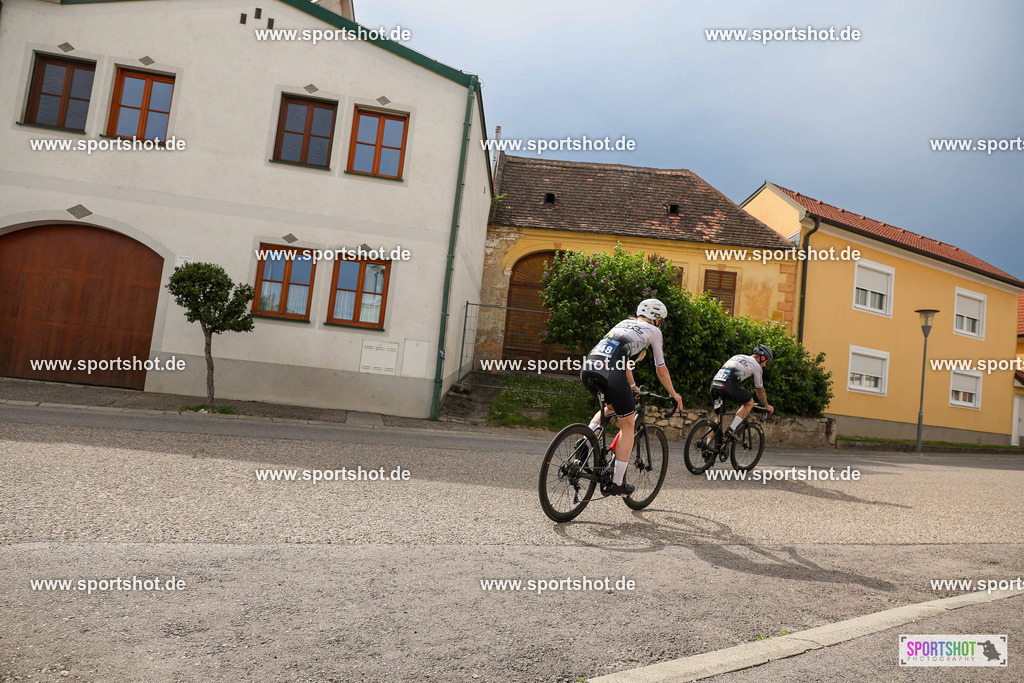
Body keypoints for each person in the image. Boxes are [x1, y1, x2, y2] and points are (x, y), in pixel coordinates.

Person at [580, 299, 685, 495]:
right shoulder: (654, 331)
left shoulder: (622, 323)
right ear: (657, 320)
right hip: (611, 372)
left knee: (609, 408)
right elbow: (661, 370)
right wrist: (674, 394)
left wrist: (633, 386)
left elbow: (623, 361)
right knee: (627, 424)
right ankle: (617, 483)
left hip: (589, 368)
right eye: (661, 321)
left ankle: (585, 443)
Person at [710, 344, 775, 440]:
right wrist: (766, 406)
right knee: (749, 403)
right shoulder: (756, 366)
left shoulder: (737, 356)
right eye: (766, 362)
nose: (765, 365)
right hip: (728, 385)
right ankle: (731, 429)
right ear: (763, 357)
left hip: (714, 385)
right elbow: (760, 390)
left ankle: (707, 446)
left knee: (720, 418)